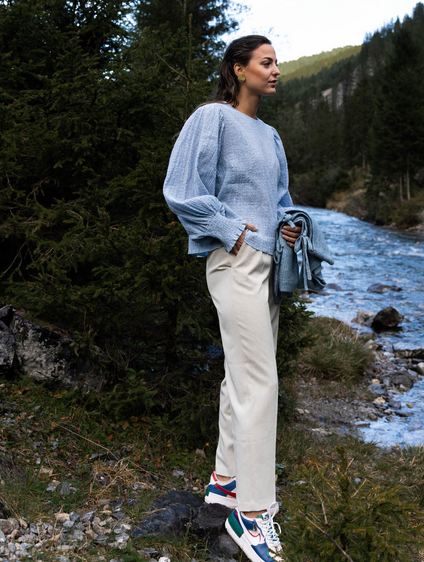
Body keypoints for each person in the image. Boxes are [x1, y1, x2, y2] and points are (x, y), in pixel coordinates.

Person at [163, 35, 301, 562]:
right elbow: (180, 187)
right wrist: (230, 229)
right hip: (234, 260)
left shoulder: (270, 135)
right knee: (261, 379)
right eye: (266, 63)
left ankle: (225, 481)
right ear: (239, 69)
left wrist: (288, 225)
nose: (275, 70)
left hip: (268, 266)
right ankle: (253, 511)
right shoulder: (211, 118)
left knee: (242, 374)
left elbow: (281, 201)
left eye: (277, 63)